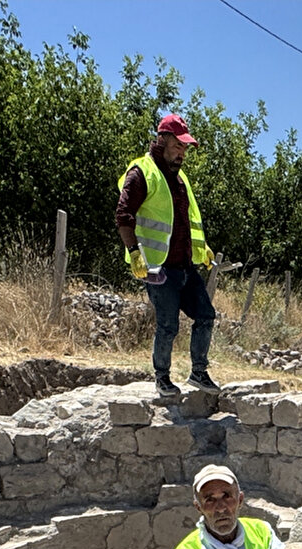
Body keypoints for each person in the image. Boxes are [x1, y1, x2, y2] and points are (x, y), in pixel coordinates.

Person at [117, 113, 217, 401]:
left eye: (185, 148)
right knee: (168, 325)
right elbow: (123, 216)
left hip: (185, 266)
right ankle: (162, 378)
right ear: (162, 141)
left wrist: (203, 248)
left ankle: (198, 372)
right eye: (177, 146)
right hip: (157, 268)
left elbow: (186, 221)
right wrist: (134, 253)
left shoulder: (181, 178)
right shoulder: (142, 173)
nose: (181, 153)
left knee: (206, 315)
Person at [166, 464, 284, 549]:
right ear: (198, 507)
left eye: (226, 496)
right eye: (210, 500)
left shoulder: (262, 532)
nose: (221, 508)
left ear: (240, 500)